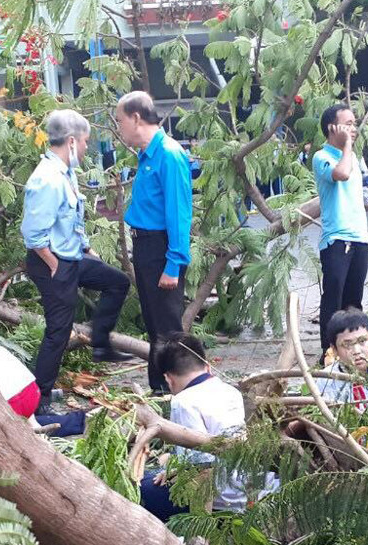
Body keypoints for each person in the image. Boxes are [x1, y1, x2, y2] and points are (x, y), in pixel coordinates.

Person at [21, 109, 132, 414]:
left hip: (72, 256)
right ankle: (38, 399)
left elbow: (69, 220)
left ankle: (100, 343)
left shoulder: (65, 172)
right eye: (84, 142)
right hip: (52, 263)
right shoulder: (47, 179)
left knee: (117, 282)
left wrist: (86, 248)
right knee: (58, 331)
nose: (86, 147)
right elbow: (33, 234)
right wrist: (54, 264)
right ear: (71, 141)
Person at [115, 91, 194, 393]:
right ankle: (159, 388)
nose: (119, 128)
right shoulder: (147, 154)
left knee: (167, 329)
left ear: (136, 118)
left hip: (161, 249)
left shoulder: (169, 155)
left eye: (120, 121)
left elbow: (179, 213)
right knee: (154, 326)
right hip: (146, 247)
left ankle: (174, 390)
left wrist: (174, 262)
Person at [138, 334, 250, 522]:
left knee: (137, 486)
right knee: (159, 470)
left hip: (215, 502)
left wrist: (200, 525)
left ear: (168, 378)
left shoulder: (183, 402)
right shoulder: (231, 391)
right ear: (206, 365)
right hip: (238, 494)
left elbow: (202, 469)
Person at [313, 104, 368, 356]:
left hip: (359, 236)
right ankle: (328, 353)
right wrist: (347, 144)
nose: (353, 128)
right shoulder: (321, 157)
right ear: (331, 128)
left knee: (353, 301)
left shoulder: (354, 158)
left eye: (353, 123)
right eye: (346, 123)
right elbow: (342, 174)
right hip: (336, 238)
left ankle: (354, 351)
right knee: (333, 299)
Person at [0, 328, 88, 437]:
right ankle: (78, 421)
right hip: (28, 387)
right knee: (28, 424)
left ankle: (75, 421)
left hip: (8, 401)